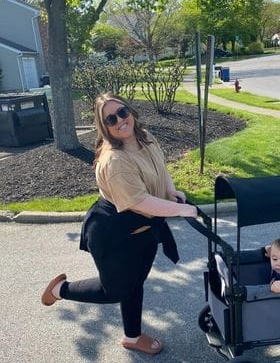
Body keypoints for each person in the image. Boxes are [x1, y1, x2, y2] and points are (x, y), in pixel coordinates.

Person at [41, 92, 197, 355]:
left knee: (135, 283)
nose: (120, 120)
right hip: (113, 234)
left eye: (122, 112)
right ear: (105, 128)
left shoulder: (145, 137)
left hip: (145, 229)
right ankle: (59, 290)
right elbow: (140, 202)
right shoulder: (115, 160)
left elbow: (161, 167)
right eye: (111, 119)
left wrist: (171, 191)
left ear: (130, 111)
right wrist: (182, 209)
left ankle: (132, 337)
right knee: (114, 291)